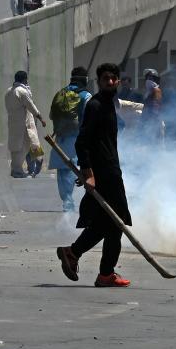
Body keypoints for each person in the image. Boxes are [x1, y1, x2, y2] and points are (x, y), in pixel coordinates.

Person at [55, 63, 132, 288]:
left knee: (105, 224)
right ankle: (104, 272)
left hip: (110, 171)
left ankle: (74, 254)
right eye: (105, 78)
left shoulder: (109, 105)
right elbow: (82, 142)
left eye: (113, 78)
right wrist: (89, 174)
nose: (110, 82)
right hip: (105, 176)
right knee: (117, 224)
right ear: (99, 81)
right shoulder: (96, 105)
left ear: (118, 81)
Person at [49, 67, 92, 211]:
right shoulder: (86, 95)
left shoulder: (60, 93)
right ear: (84, 79)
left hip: (60, 137)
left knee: (63, 170)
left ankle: (67, 199)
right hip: (76, 138)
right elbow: (89, 118)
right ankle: (72, 202)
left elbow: (51, 115)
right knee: (75, 169)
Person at [5, 70, 47, 178]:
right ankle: (36, 161)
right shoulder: (22, 92)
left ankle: (20, 169)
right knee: (28, 144)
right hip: (25, 124)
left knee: (17, 147)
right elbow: (31, 106)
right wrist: (41, 118)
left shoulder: (9, 91)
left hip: (13, 124)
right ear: (25, 80)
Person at [141, 68, 164, 139]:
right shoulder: (148, 93)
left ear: (155, 79)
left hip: (154, 121)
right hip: (148, 121)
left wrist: (152, 121)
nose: (148, 79)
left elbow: (156, 105)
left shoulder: (156, 90)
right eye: (147, 77)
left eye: (150, 77)